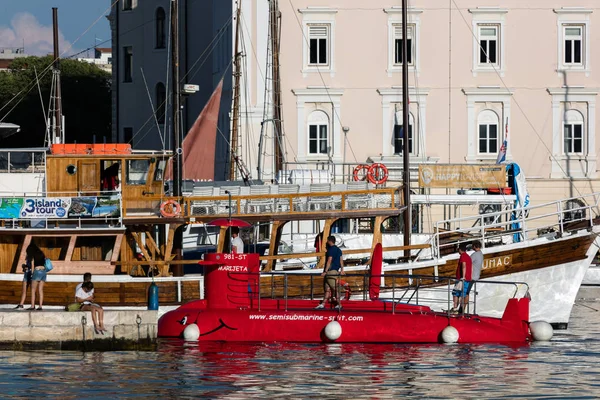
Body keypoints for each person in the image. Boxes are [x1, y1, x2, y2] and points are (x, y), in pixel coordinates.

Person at [315, 236, 344, 309]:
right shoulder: (339, 250)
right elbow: (341, 260)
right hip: (335, 271)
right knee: (327, 288)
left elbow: (329, 260)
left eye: (327, 241)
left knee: (334, 288)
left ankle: (339, 304)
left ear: (329, 241)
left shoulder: (330, 250)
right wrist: (342, 269)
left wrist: (325, 271)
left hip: (330, 272)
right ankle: (323, 304)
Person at [451, 243, 472, 314]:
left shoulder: (463, 256)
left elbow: (464, 265)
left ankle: (455, 308)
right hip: (468, 279)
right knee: (463, 294)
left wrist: (463, 276)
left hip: (462, 279)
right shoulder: (468, 256)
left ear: (460, 249)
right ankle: (461, 310)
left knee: (456, 293)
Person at [26, 243, 47, 311]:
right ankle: (40, 306)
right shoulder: (42, 253)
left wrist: (32, 274)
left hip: (37, 271)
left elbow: (32, 265)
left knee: (33, 290)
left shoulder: (33, 255)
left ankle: (32, 306)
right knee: (40, 290)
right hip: (44, 271)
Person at [466, 241, 483, 308]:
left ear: (474, 247)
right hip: (476, 276)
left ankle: (462, 310)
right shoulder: (481, 254)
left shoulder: (475, 255)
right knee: (467, 292)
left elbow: (467, 261)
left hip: (471, 277)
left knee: (466, 293)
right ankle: (463, 309)